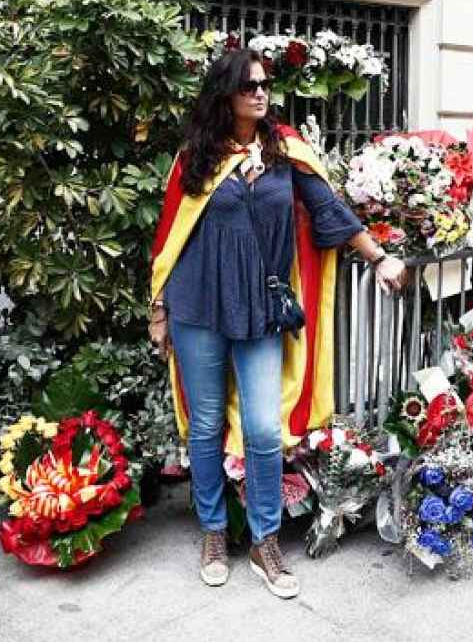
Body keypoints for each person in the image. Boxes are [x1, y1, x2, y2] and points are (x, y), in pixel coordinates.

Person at [149, 50, 406, 600]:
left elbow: (330, 209)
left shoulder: (284, 150)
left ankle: (265, 538)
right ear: (225, 95)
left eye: (265, 85)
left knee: (264, 430)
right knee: (207, 423)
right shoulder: (195, 155)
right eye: (248, 87)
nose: (260, 95)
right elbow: (172, 233)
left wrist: (379, 256)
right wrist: (159, 310)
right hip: (198, 306)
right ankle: (215, 532)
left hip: (260, 308)